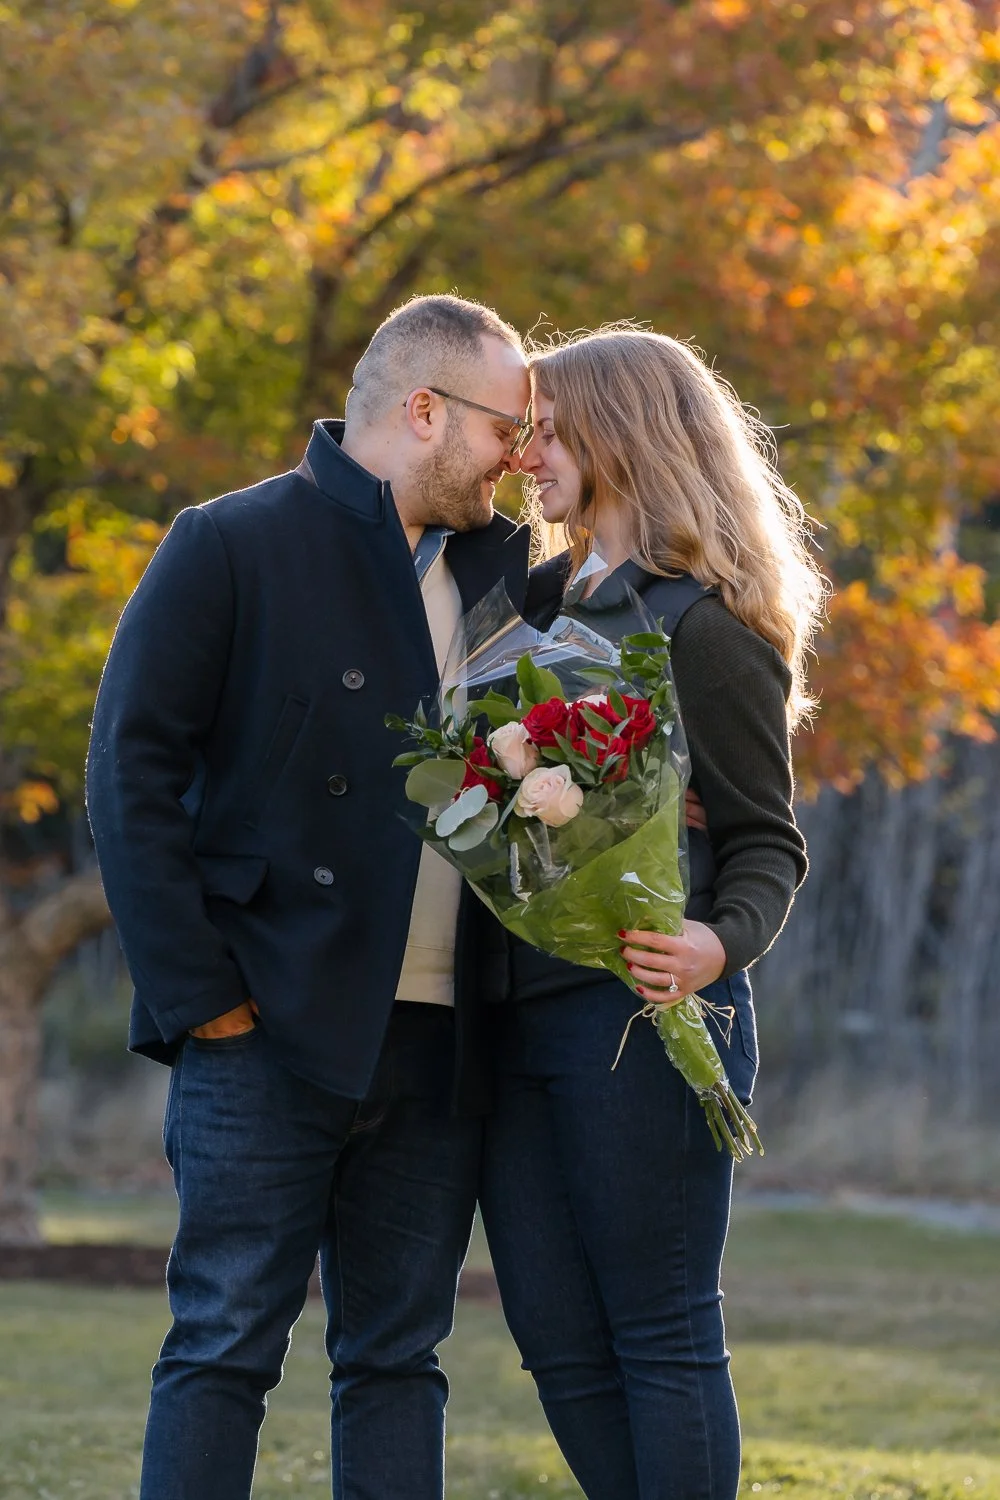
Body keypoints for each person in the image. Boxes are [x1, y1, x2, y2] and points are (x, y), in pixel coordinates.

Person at [85, 294, 533, 1500]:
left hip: (442, 1039)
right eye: (506, 428)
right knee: (224, 1345)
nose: (522, 458)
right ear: (424, 410)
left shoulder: (514, 572)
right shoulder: (229, 542)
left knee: (398, 1358)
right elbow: (129, 774)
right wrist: (203, 1002)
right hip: (266, 1027)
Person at [477, 327, 826, 1500]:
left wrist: (717, 941)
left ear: (621, 434)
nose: (531, 453)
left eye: (550, 427)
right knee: (556, 1338)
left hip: (642, 1012)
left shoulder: (705, 632)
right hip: (515, 1016)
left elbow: (767, 843)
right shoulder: (531, 600)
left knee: (659, 1331)